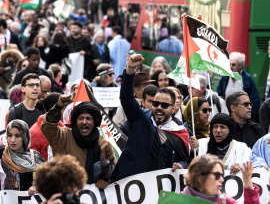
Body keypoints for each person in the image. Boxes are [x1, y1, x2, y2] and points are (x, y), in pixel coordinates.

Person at [110, 53, 190, 181]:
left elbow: (185, 160)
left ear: (173, 108)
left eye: (164, 105)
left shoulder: (180, 131)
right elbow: (126, 99)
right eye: (156, 103)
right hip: (135, 187)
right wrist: (130, 70)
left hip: (163, 191)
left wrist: (182, 165)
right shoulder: (140, 118)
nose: (159, 107)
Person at [40, 95, 116, 188]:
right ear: (75, 121)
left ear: (95, 122)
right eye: (81, 118)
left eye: (88, 118)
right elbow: (48, 127)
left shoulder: (104, 144)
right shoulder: (63, 136)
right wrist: (58, 107)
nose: (84, 122)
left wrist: (106, 180)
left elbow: (114, 169)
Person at [182, 154, 260, 204]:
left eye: (222, 175)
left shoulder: (224, 200)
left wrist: (249, 186)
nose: (222, 179)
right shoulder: (177, 200)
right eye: (217, 175)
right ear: (200, 177)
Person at [0, 120, 45, 195]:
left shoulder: (35, 157)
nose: (13, 140)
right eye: (10, 135)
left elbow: (48, 180)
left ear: (25, 136)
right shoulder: (2, 153)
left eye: (17, 136)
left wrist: (37, 187)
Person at [217, 52, 260, 121]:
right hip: (227, 117)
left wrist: (249, 115)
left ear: (240, 66)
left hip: (244, 118)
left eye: (233, 65)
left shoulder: (248, 79)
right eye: (229, 64)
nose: (231, 67)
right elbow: (218, 96)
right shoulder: (224, 78)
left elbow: (255, 100)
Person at [29, 92, 64, 161]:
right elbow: (31, 162)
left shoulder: (63, 127)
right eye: (63, 108)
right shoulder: (34, 133)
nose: (66, 111)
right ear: (54, 110)